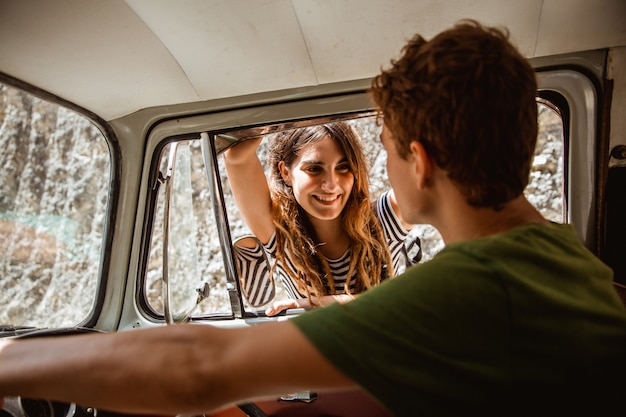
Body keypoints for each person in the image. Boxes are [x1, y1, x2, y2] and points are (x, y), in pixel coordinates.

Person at [1, 20, 625, 417]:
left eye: (379, 148)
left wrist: (7, 367)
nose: (348, 180)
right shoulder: (568, 262)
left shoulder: (479, 285)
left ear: (422, 161)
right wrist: (344, 309)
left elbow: (197, 369)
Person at [224, 121, 416, 315]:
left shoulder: (383, 220)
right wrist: (272, 117)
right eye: (314, 169)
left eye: (343, 167)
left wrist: (317, 303)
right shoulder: (282, 235)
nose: (331, 185)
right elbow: (237, 157)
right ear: (285, 172)